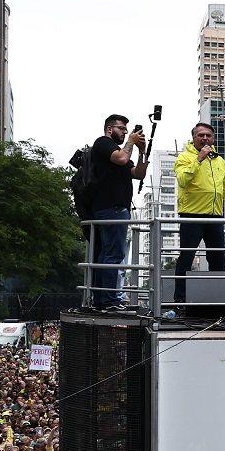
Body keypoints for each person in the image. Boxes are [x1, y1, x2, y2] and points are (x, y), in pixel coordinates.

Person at [170, 122, 225, 314]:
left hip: (215, 217)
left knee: (217, 259)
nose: (205, 139)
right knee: (186, 258)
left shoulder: (220, 161)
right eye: (200, 135)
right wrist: (199, 159)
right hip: (191, 216)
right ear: (193, 137)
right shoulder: (184, 157)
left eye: (208, 135)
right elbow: (183, 180)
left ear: (213, 138)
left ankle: (216, 300)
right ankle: (180, 300)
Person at [85, 115, 148, 309]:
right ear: (109, 129)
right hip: (110, 208)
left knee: (112, 253)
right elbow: (121, 158)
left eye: (126, 130)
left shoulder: (121, 152)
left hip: (118, 209)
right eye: (122, 129)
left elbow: (138, 173)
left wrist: (142, 152)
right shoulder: (103, 143)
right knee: (113, 253)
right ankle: (108, 300)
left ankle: (105, 299)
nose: (125, 133)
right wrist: (130, 143)